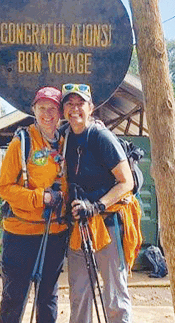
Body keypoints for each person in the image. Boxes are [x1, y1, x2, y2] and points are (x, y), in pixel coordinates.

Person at [61, 83, 142, 323]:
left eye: (80, 104)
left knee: (115, 296)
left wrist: (97, 206)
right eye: (69, 103)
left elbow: (126, 182)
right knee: (80, 294)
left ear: (91, 108)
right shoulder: (64, 137)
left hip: (107, 223)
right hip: (79, 226)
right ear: (63, 108)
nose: (75, 109)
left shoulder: (100, 136)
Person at [0, 87, 68, 323]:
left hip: (55, 233)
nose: (47, 114)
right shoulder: (22, 142)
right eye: (42, 108)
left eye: (53, 109)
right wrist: (42, 198)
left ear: (60, 113)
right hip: (20, 233)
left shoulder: (67, 143)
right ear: (34, 110)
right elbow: (4, 188)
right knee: (14, 296)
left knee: (48, 296)